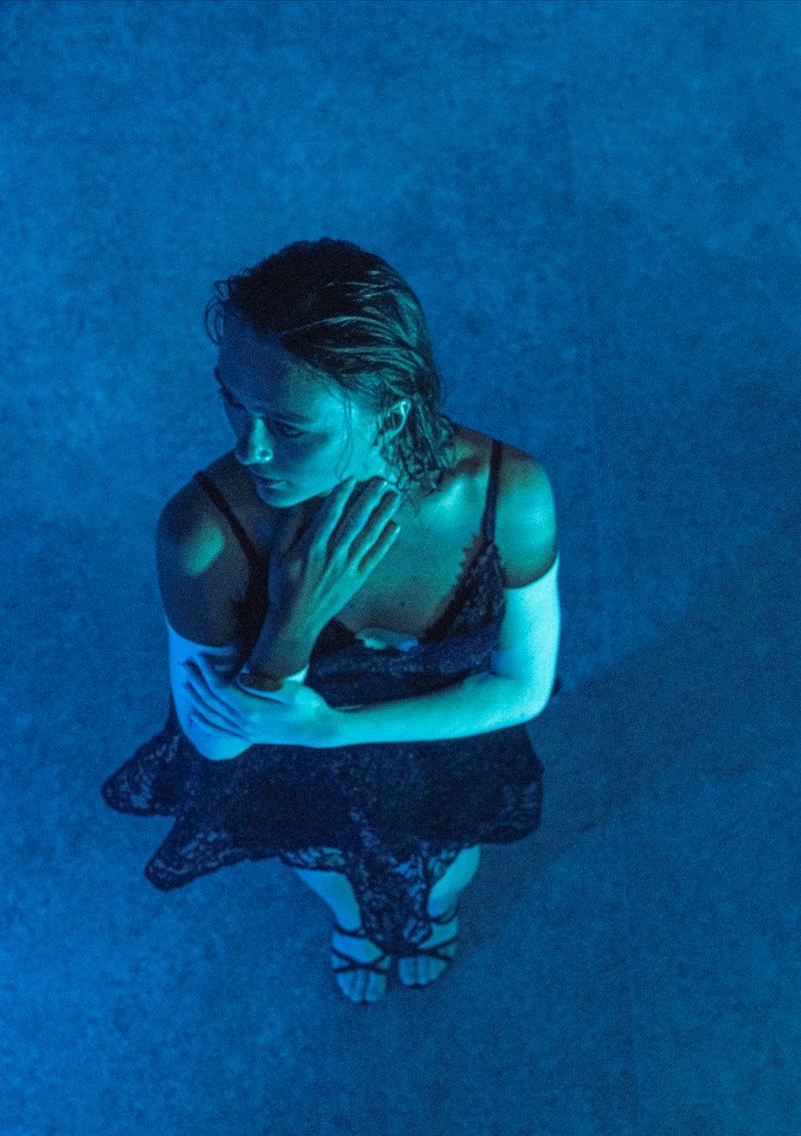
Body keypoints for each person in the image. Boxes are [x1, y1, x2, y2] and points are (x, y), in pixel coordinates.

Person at [102, 238, 560, 1003]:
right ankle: (354, 928)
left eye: (289, 425)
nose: (247, 447)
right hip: (294, 770)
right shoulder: (204, 534)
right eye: (232, 400)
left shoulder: (506, 495)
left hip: (434, 744)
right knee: (324, 866)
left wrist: (330, 726)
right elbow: (212, 739)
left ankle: (431, 916)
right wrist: (292, 620)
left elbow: (524, 685)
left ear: (393, 408)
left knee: (447, 867)